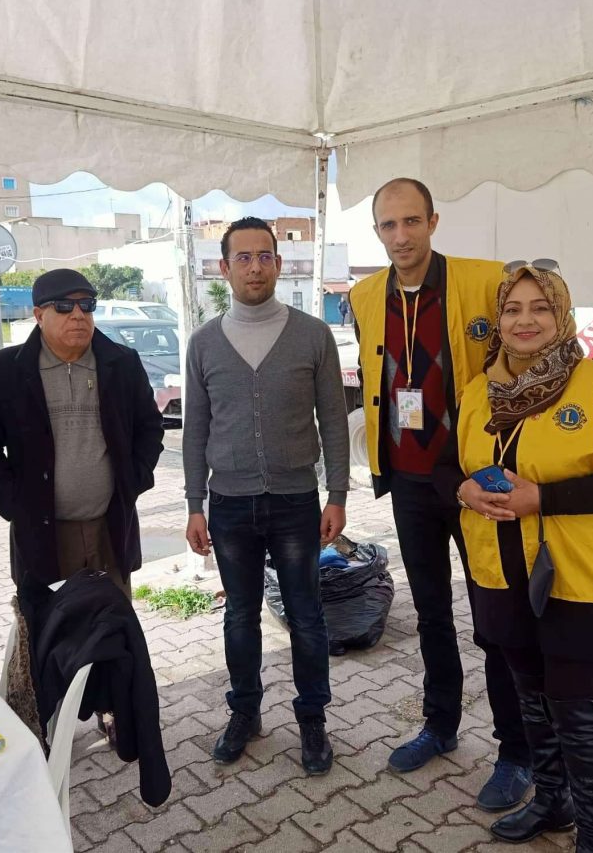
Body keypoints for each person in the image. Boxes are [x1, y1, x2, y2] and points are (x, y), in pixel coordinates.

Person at [438, 261, 593, 851]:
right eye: (512, 309)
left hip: (581, 579)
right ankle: (552, 802)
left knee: (576, 711)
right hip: (502, 575)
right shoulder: (479, 391)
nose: (525, 320)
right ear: (499, 320)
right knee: (532, 701)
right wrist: (463, 490)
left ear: (561, 315)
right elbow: (444, 467)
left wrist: (544, 499)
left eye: (540, 307)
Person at [348, 177, 531, 810]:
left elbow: (529, 354)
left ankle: (516, 750)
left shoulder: (485, 281)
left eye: (411, 221)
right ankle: (440, 724)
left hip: (474, 482)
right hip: (409, 481)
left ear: (432, 221)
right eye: (388, 225)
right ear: (377, 232)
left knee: (495, 617)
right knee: (431, 613)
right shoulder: (364, 294)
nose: (400, 236)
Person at [184, 216, 349, 776]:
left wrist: (337, 494)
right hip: (228, 505)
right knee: (240, 616)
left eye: (264, 257)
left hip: (296, 500)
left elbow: (333, 420)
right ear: (224, 267)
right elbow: (195, 430)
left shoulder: (313, 335)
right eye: (243, 257)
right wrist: (193, 505)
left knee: (306, 616)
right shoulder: (204, 343)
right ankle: (245, 712)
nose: (254, 267)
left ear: (278, 264)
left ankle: (313, 719)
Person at [0, 268, 164, 598]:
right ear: (38, 315)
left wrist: (134, 480)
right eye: (63, 306)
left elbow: (149, 427)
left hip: (110, 528)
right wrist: (15, 504)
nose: (77, 315)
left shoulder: (122, 364)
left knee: (112, 623)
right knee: (50, 624)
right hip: (43, 535)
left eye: (87, 305)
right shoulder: (2, 373)